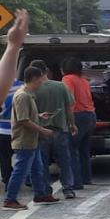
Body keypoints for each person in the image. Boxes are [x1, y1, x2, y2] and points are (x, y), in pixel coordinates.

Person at [3, 66, 59, 210]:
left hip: (32, 140)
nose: (42, 82)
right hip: (24, 140)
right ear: (34, 79)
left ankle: (40, 194)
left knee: (37, 168)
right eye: (41, 79)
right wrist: (43, 130)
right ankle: (10, 199)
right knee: (20, 170)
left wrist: (39, 116)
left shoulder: (28, 94)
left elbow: (26, 116)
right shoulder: (23, 96)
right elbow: (23, 120)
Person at [28, 59, 77, 199]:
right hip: (60, 130)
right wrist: (72, 124)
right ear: (46, 71)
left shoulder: (33, 89)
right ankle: (68, 189)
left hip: (41, 131)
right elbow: (69, 107)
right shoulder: (61, 86)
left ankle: (46, 190)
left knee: (42, 163)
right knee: (64, 161)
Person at [0, 9, 30, 186]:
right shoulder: (21, 87)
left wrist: (13, 46)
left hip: (2, 131)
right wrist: (13, 46)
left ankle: (8, 182)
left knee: (5, 161)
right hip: (16, 131)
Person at [62, 57, 96, 188]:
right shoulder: (84, 80)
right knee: (84, 150)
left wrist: (70, 121)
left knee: (71, 149)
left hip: (78, 116)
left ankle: (76, 182)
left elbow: (69, 100)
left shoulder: (67, 79)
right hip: (90, 115)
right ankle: (87, 177)